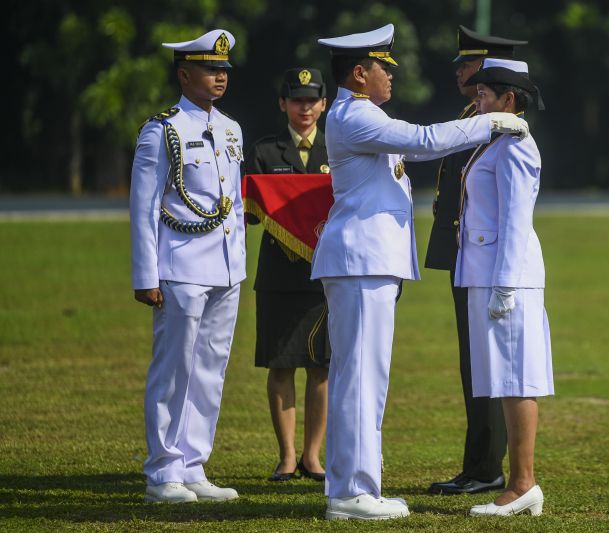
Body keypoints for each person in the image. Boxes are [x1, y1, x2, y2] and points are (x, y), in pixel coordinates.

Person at [311, 24, 530, 520]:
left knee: (365, 377)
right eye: (384, 67)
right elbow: (425, 139)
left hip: (368, 263)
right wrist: (493, 122)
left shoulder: (365, 114)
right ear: (360, 73)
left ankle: (358, 484)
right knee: (361, 379)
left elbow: (416, 145)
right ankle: (351, 493)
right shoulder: (354, 115)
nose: (392, 73)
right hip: (359, 261)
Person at [130, 29, 245, 503]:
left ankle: (194, 463)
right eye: (209, 69)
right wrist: (145, 275)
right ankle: (163, 470)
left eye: (223, 70)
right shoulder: (163, 129)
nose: (219, 77)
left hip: (224, 266)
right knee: (174, 368)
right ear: (184, 74)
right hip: (179, 264)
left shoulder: (231, 128)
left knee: (210, 369)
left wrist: (237, 260)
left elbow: (234, 204)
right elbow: (143, 206)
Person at [426, 25, 529, 497]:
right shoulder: (475, 115)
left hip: (485, 258)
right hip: (466, 253)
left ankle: (487, 466)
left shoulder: (501, 125)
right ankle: (479, 464)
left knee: (488, 366)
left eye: (470, 66)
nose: (462, 73)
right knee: (475, 366)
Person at [453, 58, 553, 517]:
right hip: (486, 273)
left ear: (508, 100)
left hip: (504, 276)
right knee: (503, 380)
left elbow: (516, 221)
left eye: (485, 95)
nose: (477, 101)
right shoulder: (492, 140)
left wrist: (505, 285)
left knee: (517, 379)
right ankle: (520, 483)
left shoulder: (514, 145)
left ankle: (522, 483)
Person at [244, 67, 330, 483]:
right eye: (297, 100)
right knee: (280, 366)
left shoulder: (339, 148)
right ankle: (286, 456)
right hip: (278, 273)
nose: (305, 108)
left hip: (324, 275)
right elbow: (249, 215)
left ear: (324, 104)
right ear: (283, 104)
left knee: (320, 365)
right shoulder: (265, 151)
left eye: (312, 100)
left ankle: (313, 457)